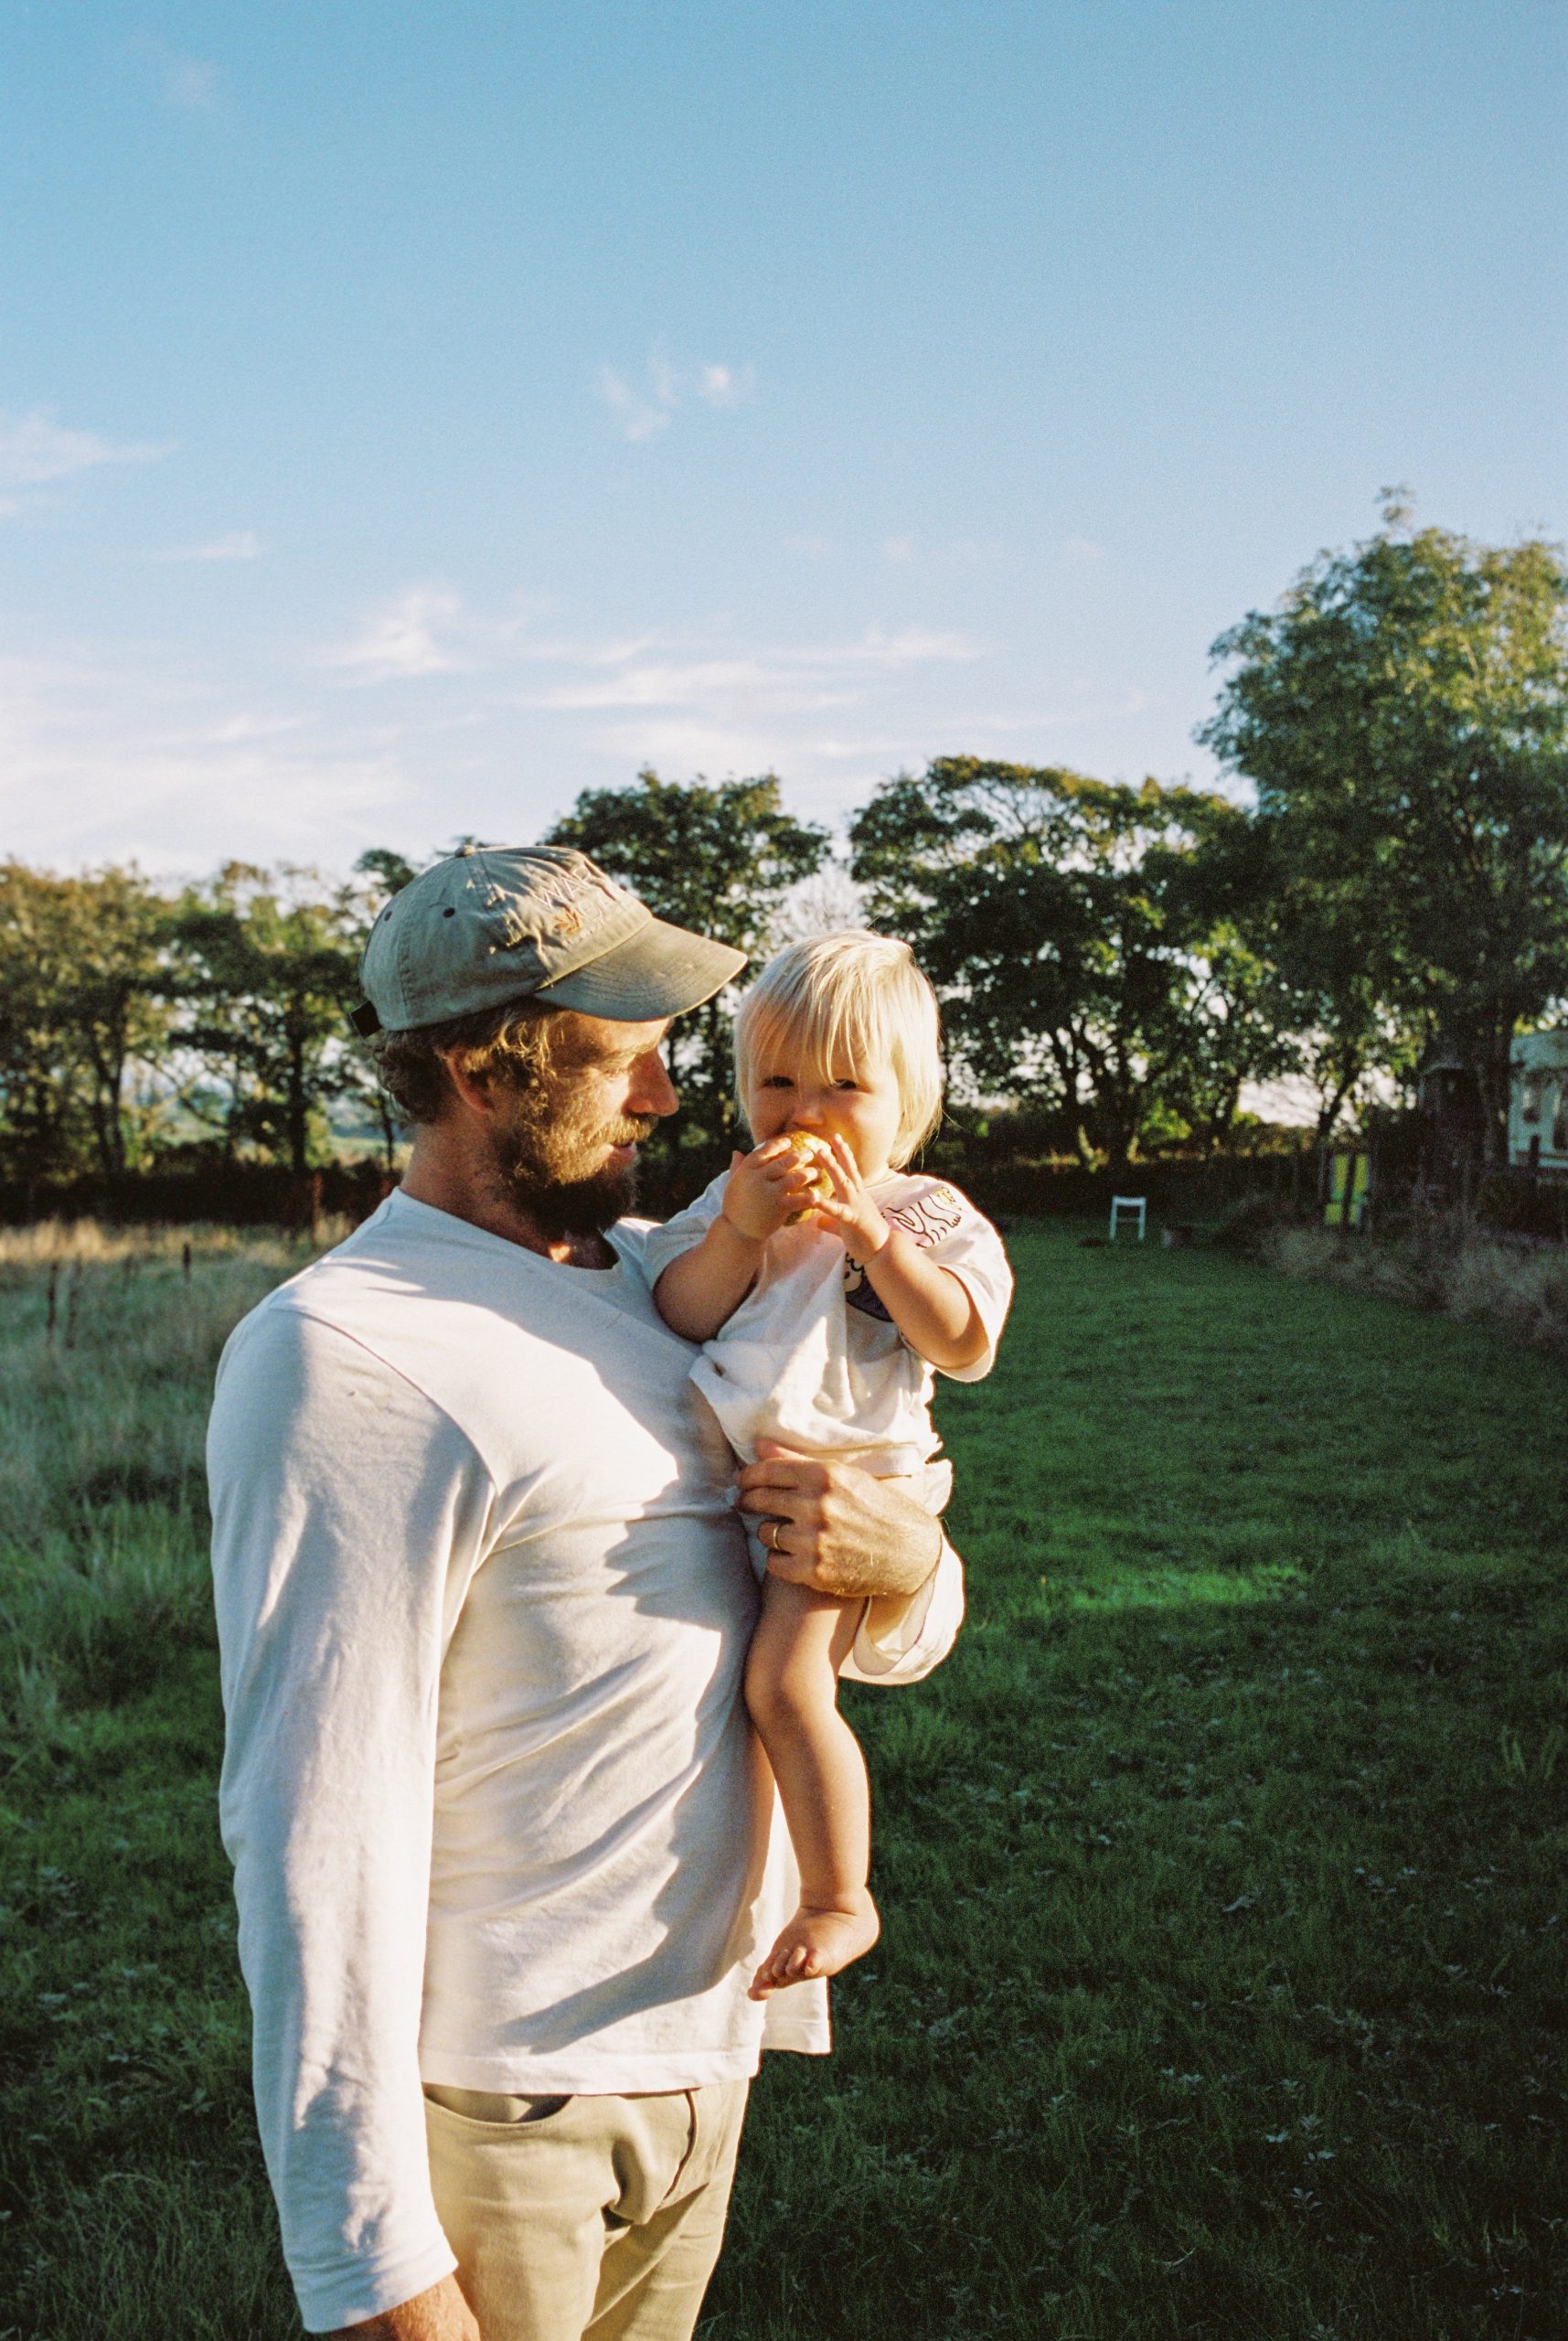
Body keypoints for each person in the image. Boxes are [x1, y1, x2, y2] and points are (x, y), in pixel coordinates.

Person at [207, 846, 966, 2341]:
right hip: (507, 2103)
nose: (676, 1100)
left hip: (705, 2057)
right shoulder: (349, 1355)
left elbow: (868, 1637)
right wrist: (369, 2261)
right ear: (480, 1072)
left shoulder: (664, 1286)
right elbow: (314, 1823)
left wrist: (913, 1569)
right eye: (624, 1060)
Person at [645, 934, 1012, 1998]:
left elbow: (961, 1342)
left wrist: (872, 1240)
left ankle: (840, 1896)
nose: (805, 1111)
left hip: (854, 1486)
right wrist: (737, 1233)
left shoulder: (918, 1210)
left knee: (785, 1682)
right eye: (776, 1081)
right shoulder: (731, 1203)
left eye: (845, 1086)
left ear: (908, 1103)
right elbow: (680, 1309)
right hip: (757, 1493)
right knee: (745, 1682)